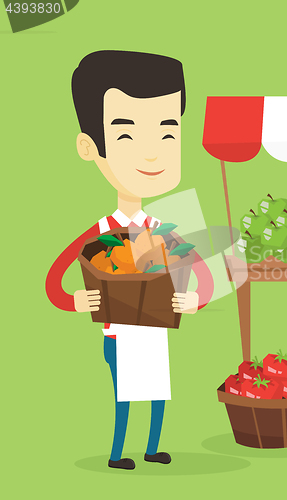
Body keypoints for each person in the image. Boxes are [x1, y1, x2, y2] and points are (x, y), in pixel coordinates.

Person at [45, 51, 214, 470]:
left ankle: (153, 447)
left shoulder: (166, 225)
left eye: (167, 133)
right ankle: (119, 452)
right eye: (126, 136)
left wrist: (196, 300)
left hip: (156, 330)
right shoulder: (100, 229)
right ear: (89, 146)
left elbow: (204, 274)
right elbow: (55, 280)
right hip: (118, 333)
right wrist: (75, 301)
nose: (152, 154)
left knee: (157, 391)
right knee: (126, 394)